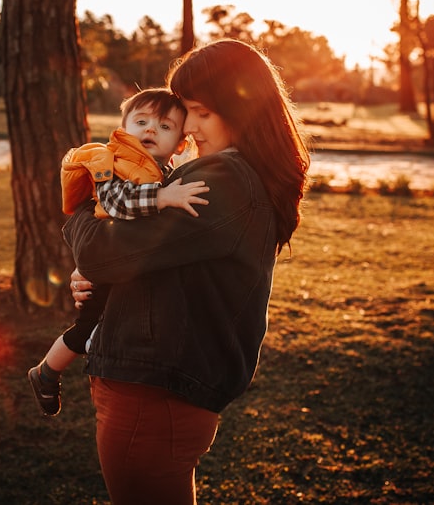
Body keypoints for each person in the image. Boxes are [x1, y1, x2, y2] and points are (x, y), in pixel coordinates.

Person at [62, 39, 311, 505]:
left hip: (153, 393)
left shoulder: (224, 182)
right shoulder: (228, 173)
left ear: (244, 109)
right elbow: (145, 261)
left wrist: (80, 207)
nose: (189, 128)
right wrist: (107, 277)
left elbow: (101, 252)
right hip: (159, 388)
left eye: (200, 112)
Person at [28, 88, 209, 416]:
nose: (151, 130)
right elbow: (112, 201)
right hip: (108, 263)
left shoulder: (166, 174)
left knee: (101, 325)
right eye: (141, 122)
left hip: (127, 268)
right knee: (86, 327)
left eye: (165, 127)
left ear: (181, 144)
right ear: (123, 129)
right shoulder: (113, 163)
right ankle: (45, 372)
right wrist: (161, 198)